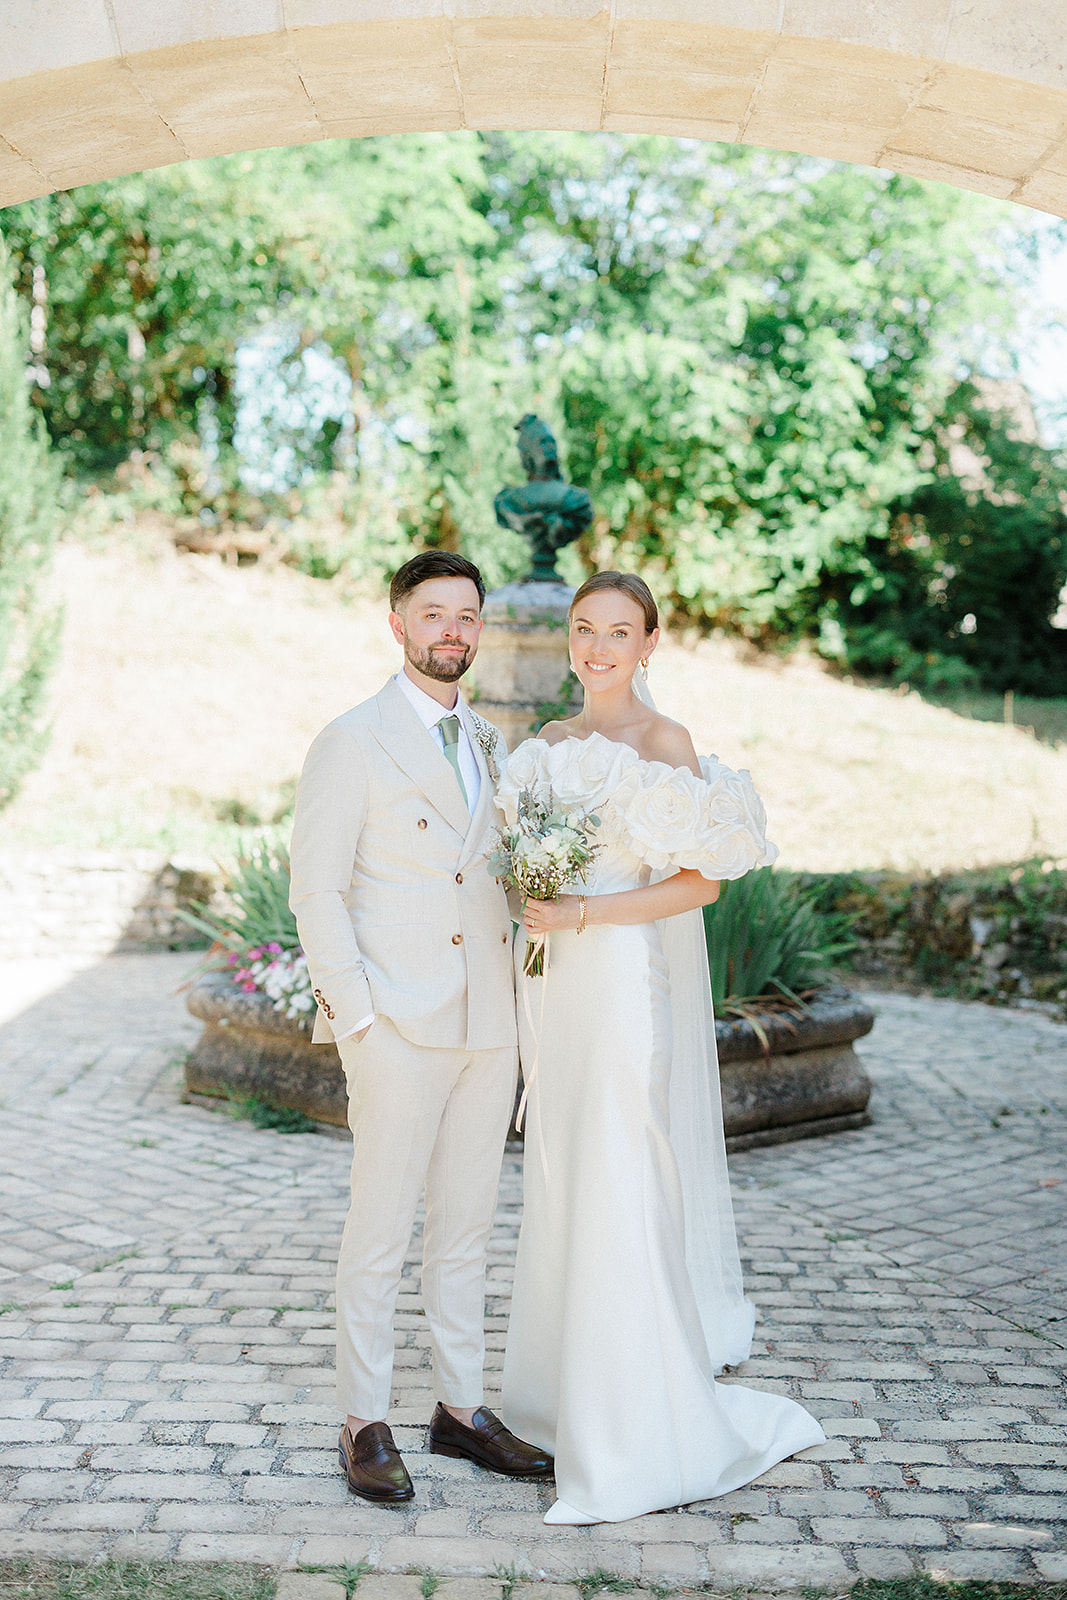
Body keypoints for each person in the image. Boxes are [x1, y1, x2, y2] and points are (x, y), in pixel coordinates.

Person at [498, 570, 826, 1525]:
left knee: (621, 1172)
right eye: (583, 628)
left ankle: (636, 1429)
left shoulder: (664, 743)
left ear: (649, 645)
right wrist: (530, 900)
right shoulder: (547, 747)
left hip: (622, 982)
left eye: (619, 631)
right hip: (553, 989)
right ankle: (559, 1401)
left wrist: (582, 910)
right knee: (562, 1175)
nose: (597, 647)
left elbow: (700, 884)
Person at [289, 550, 553, 1504]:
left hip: (489, 1022)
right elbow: (315, 889)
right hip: (395, 1021)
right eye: (434, 613)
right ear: (396, 624)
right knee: (379, 1233)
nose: (453, 630)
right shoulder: (351, 740)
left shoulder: (489, 742)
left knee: (467, 1229)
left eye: (467, 616)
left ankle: (460, 1410)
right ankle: (363, 1420)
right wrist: (355, 1016)